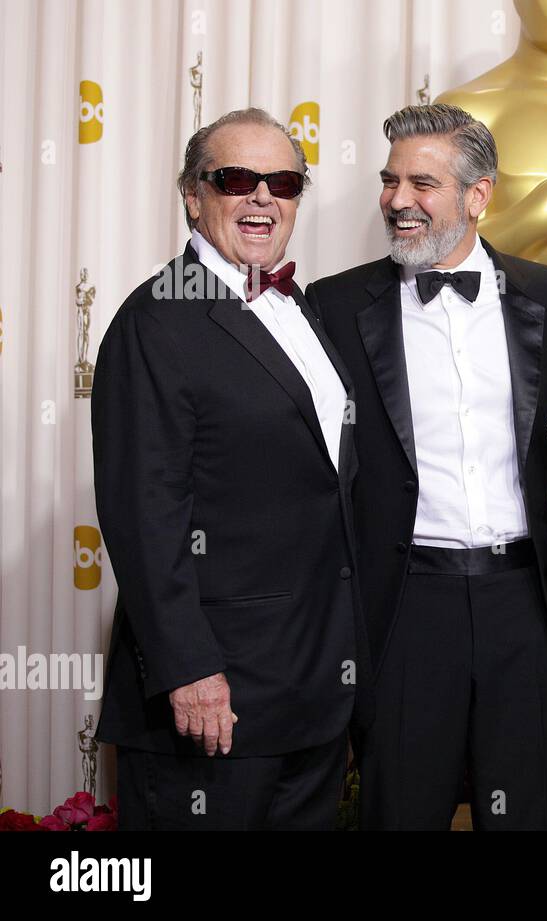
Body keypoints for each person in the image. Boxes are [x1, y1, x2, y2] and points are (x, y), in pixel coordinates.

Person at [307, 104, 547, 830]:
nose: (397, 200)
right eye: (389, 181)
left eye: (422, 182)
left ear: (479, 195)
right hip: (405, 607)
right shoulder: (336, 304)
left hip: (529, 603)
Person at [93, 108, 363, 830]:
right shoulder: (154, 321)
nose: (262, 197)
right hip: (217, 702)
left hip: (311, 697)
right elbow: (143, 513)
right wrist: (188, 670)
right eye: (237, 178)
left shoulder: (301, 310)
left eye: (282, 181)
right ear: (192, 193)